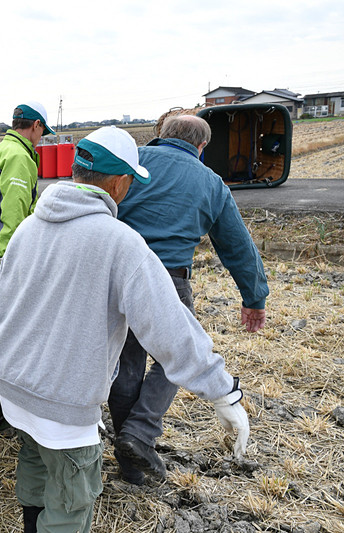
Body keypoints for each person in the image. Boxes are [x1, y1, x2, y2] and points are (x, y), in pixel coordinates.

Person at [0, 126, 250, 533]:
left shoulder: (28, 228)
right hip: (63, 405)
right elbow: (171, 327)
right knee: (72, 500)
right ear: (119, 181)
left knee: (37, 470)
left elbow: (5, 307)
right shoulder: (119, 242)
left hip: (13, 388)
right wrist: (223, 392)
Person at [108, 114, 269, 484]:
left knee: (126, 365)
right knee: (176, 357)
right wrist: (254, 297)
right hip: (169, 280)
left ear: (161, 135)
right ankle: (140, 432)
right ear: (201, 147)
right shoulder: (211, 183)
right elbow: (237, 246)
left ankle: (131, 460)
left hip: (120, 273)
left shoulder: (132, 164)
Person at [0, 101, 56, 258]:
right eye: (42, 131)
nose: (40, 138)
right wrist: (10, 259)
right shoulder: (19, 157)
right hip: (0, 256)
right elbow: (14, 214)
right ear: (36, 125)